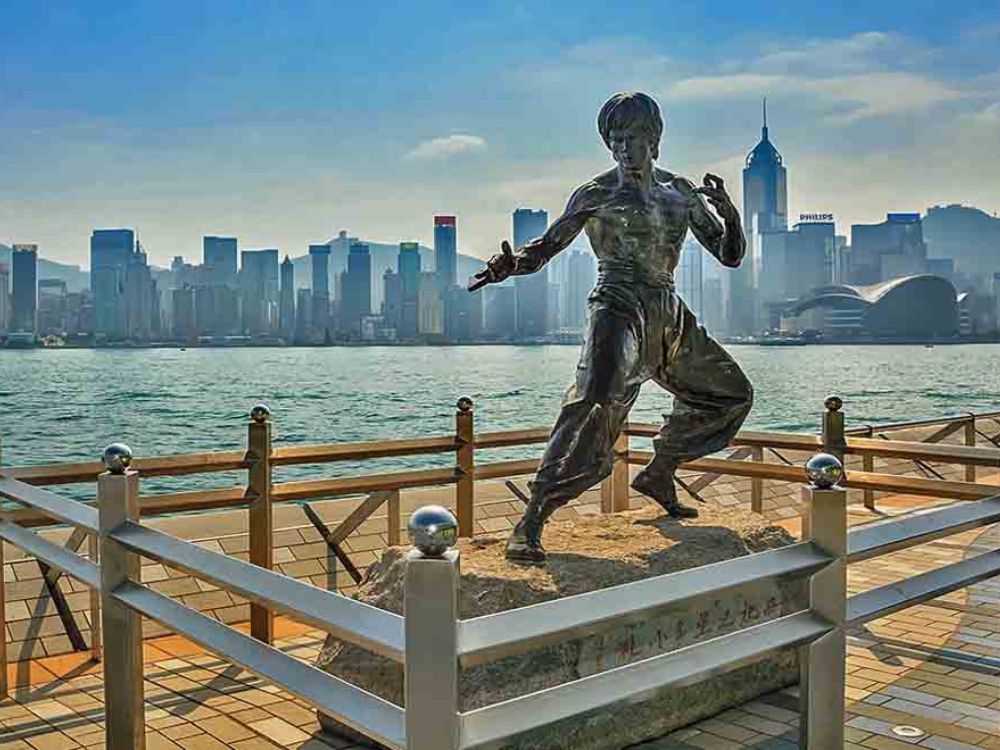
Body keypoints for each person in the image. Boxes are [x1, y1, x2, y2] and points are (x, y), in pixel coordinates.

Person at [469, 92, 753, 564]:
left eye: (632, 138)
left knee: (732, 394)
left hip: (667, 310)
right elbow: (544, 248)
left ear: (653, 139)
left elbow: (730, 255)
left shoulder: (681, 193)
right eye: (615, 139)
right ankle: (533, 517)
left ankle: (660, 470)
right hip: (617, 307)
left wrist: (731, 215)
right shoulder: (595, 194)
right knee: (592, 406)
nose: (623, 147)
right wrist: (510, 265)